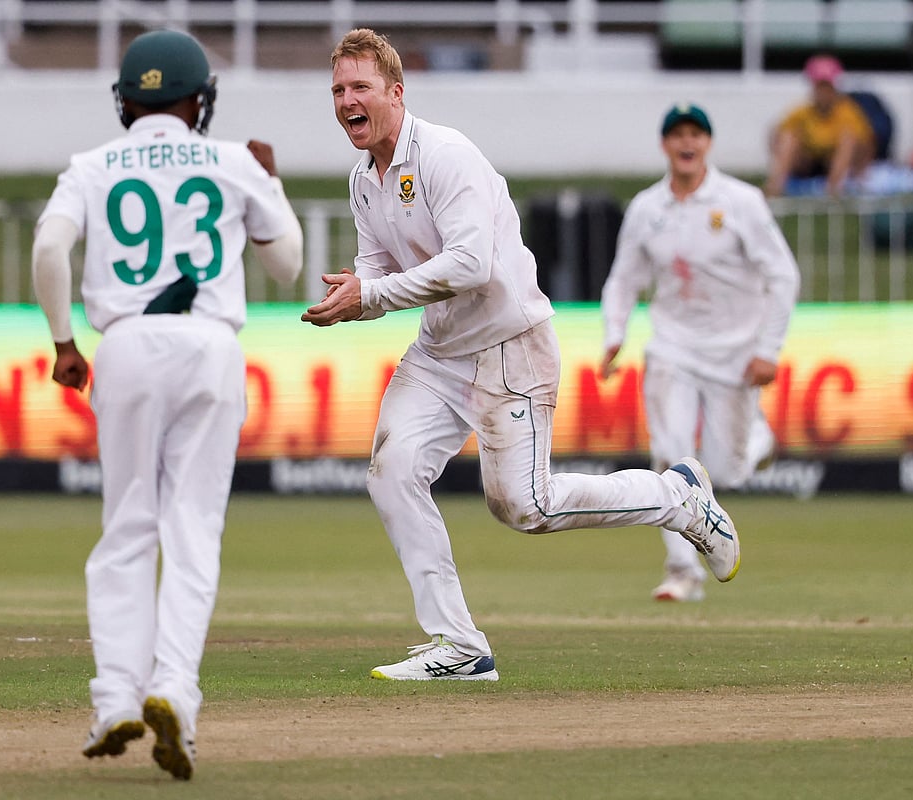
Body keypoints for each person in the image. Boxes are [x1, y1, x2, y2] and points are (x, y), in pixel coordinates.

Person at [302, 28, 740, 682]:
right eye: (338, 89)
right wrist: (356, 294)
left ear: (396, 92)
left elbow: (473, 265)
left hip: (511, 342)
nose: (346, 101)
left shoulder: (447, 155)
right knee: (390, 473)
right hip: (442, 351)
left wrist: (373, 294)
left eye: (359, 87)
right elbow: (378, 267)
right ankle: (458, 646)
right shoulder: (364, 181)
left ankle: (676, 498)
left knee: (523, 507)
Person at [32, 29, 302, 779]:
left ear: (126, 101)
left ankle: (115, 698)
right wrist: (268, 184)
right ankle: (174, 693)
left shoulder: (92, 165)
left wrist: (63, 343)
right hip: (209, 345)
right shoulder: (229, 160)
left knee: (127, 529)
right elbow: (288, 266)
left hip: (125, 345)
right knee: (192, 530)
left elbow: (50, 250)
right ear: (200, 99)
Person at [600, 103, 800, 602]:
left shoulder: (741, 201)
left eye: (696, 134)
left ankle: (759, 438)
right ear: (664, 144)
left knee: (726, 470)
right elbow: (624, 278)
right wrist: (613, 333)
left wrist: (768, 349)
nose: (687, 143)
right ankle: (681, 572)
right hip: (672, 346)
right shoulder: (647, 208)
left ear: (708, 143)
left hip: (736, 352)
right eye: (677, 135)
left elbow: (783, 275)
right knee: (671, 459)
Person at [764, 54, 875, 198]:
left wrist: (859, 171)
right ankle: (774, 188)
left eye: (826, 87)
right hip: (809, 164)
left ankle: (833, 190)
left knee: (849, 139)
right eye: (819, 86)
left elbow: (867, 145)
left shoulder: (848, 112)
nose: (823, 92)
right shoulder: (802, 112)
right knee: (789, 136)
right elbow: (776, 136)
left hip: (839, 165)